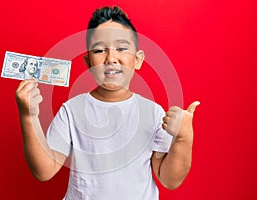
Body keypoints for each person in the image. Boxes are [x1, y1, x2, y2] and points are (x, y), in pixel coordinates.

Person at [15, 6, 199, 200]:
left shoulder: (153, 112)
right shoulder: (72, 110)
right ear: (88, 63)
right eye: (100, 50)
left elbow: (169, 179)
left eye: (121, 48)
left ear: (137, 60)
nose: (111, 58)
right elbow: (44, 171)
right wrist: (28, 116)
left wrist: (183, 138)